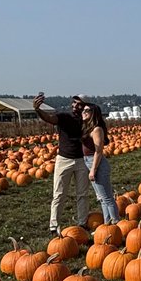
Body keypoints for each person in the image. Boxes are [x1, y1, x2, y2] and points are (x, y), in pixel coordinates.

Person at [34, 92, 89, 235]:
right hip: (64, 159)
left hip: (82, 160)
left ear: (85, 106)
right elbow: (49, 118)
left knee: (82, 194)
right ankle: (54, 226)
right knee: (59, 194)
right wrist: (38, 110)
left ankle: (82, 223)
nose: (75, 105)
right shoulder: (65, 117)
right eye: (74, 102)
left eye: (79, 104)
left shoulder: (87, 121)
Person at [80, 102, 121, 224]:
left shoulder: (97, 129)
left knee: (107, 198)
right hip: (89, 161)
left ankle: (116, 223)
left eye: (87, 110)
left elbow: (98, 151)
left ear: (94, 113)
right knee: (102, 198)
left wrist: (93, 170)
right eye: (83, 110)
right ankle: (107, 223)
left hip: (96, 163)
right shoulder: (88, 128)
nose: (83, 112)